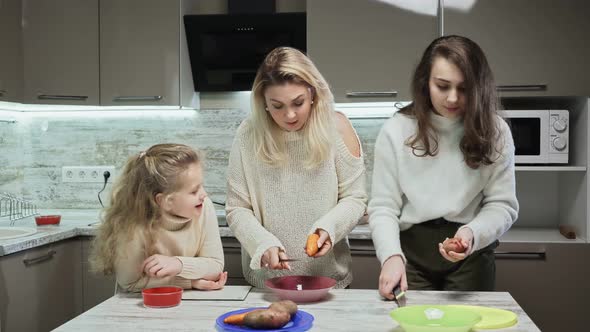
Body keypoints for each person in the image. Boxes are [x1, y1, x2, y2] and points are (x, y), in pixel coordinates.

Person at [368, 35, 519, 299]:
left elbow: (503, 205)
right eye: (442, 86)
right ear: (425, 82)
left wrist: (471, 234)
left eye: (464, 88)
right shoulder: (397, 129)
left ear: (479, 87)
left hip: (470, 252)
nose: (452, 98)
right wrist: (391, 256)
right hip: (411, 255)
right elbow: (383, 206)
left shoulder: (496, 132)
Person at [225, 47, 367, 289]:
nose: (289, 115)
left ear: (312, 93)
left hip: (329, 281)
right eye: (277, 105)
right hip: (268, 285)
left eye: (298, 102)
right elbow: (237, 208)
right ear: (264, 103)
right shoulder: (248, 134)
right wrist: (262, 243)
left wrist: (329, 228)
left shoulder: (338, 127)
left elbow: (355, 198)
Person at [90, 143, 227, 292]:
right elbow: (130, 283)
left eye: (202, 186)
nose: (204, 195)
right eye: (194, 191)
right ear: (166, 201)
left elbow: (215, 265)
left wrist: (177, 264)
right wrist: (189, 282)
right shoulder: (132, 224)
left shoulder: (204, 206)